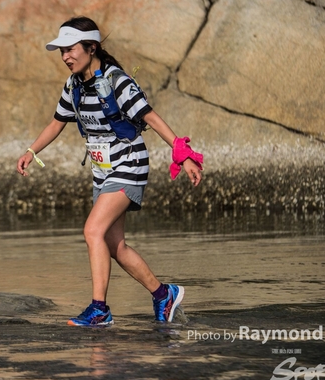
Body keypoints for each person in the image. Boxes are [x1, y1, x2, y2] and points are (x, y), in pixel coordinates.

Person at [16, 16, 203, 327]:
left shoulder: (118, 82)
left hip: (129, 164)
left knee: (92, 231)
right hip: (103, 172)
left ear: (91, 47)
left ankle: (99, 309)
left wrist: (183, 155)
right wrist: (31, 152)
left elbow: (151, 118)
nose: (65, 56)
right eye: (62, 51)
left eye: (71, 49)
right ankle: (163, 294)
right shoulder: (73, 85)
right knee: (115, 246)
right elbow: (56, 123)